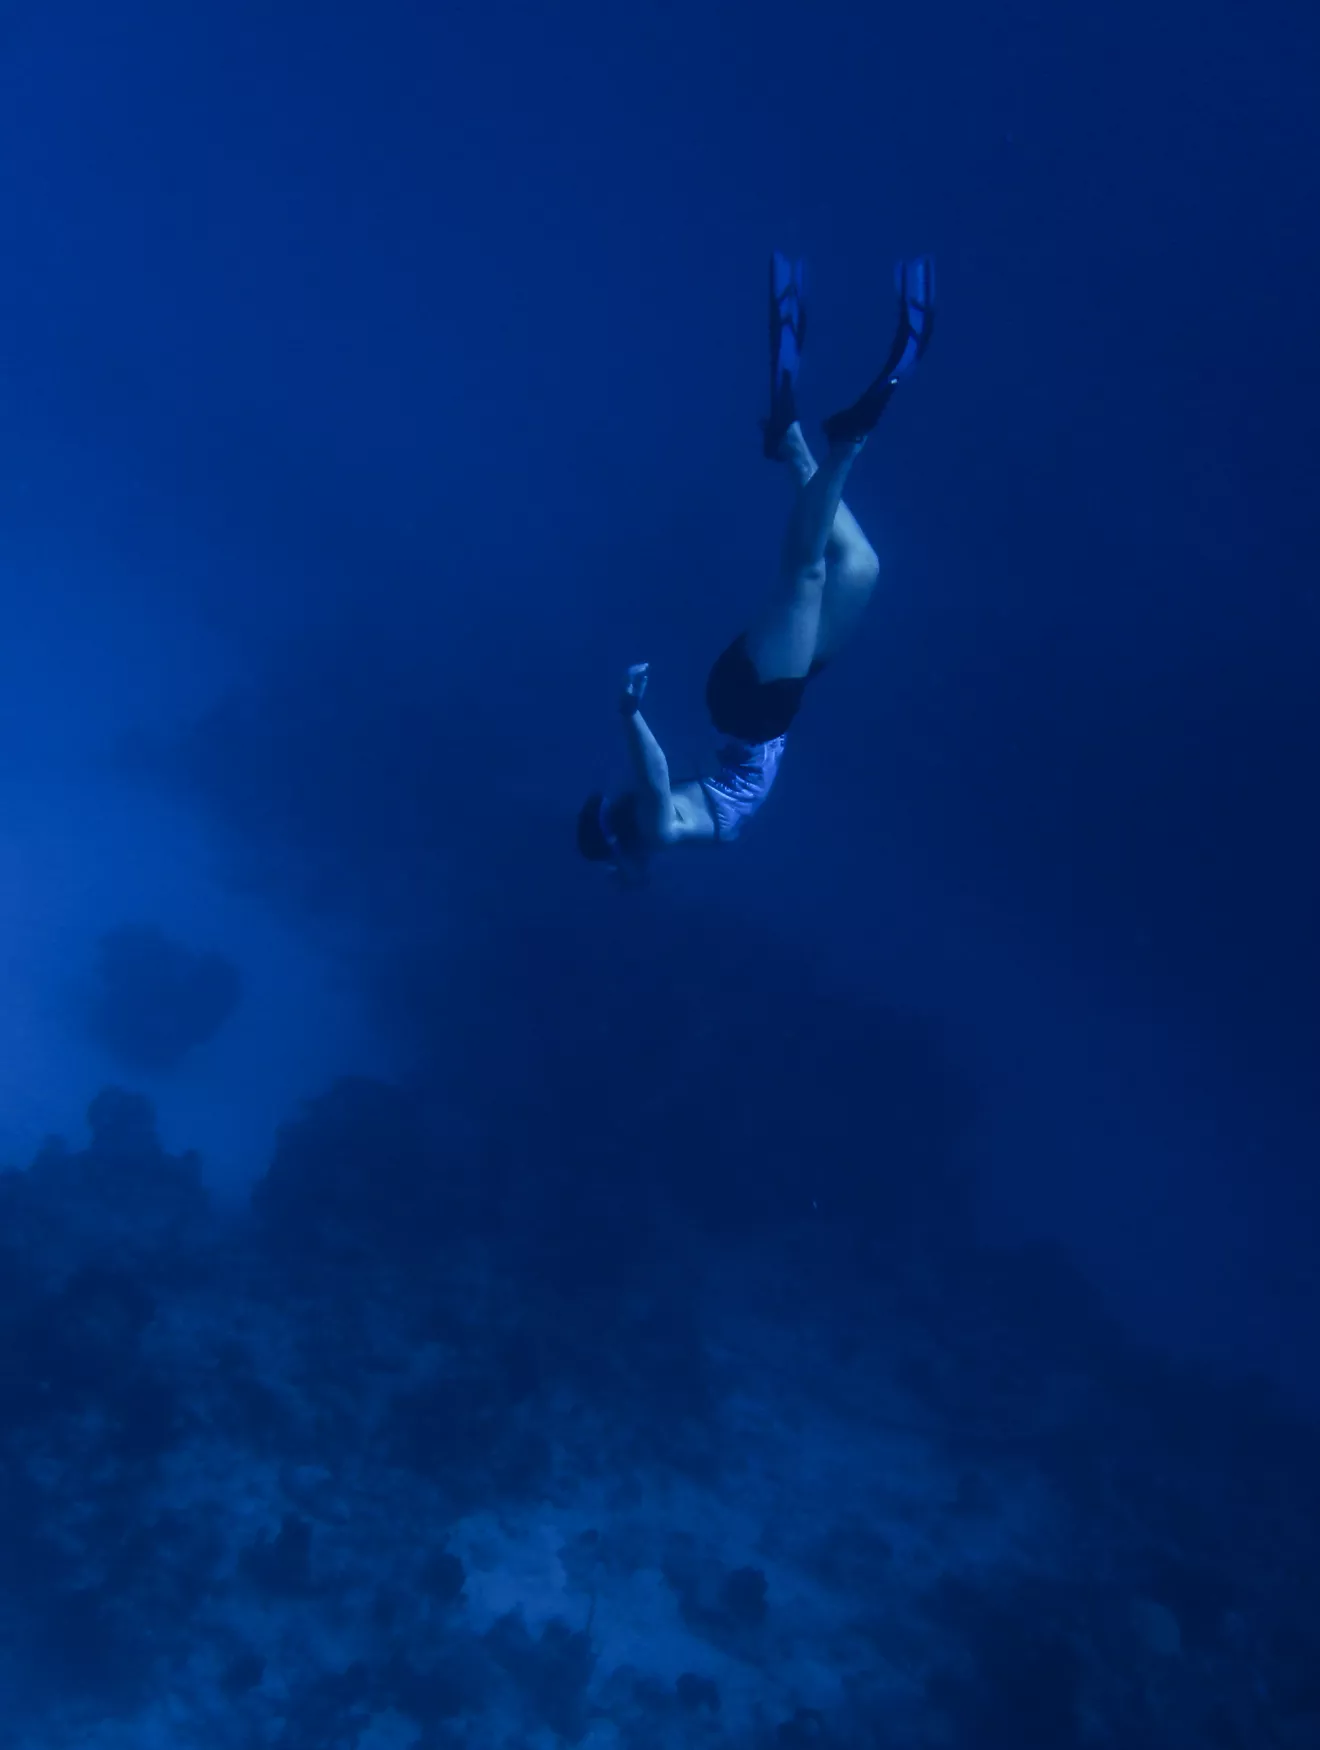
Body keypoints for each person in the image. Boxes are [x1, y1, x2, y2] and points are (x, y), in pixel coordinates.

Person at [577, 252, 934, 880]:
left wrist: (631, 713)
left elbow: (654, 778)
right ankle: (792, 446)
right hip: (762, 715)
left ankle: (847, 441)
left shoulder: (659, 826)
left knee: (808, 574)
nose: (624, 821)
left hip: (753, 708)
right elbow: (651, 791)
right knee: (860, 567)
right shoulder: (657, 836)